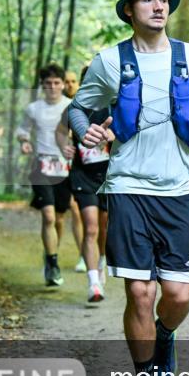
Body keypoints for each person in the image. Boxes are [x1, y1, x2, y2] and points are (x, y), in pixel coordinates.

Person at [68, 0, 189, 376]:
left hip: (179, 188)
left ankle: (164, 334)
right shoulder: (108, 60)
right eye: (147, 1)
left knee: (177, 296)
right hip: (127, 186)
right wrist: (87, 133)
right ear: (128, 11)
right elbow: (79, 108)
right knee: (140, 291)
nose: (158, 7)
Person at [57, 64, 110, 303]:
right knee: (90, 227)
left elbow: (130, 131)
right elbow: (60, 132)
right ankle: (93, 283)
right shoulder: (74, 108)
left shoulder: (113, 105)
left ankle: (102, 261)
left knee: (105, 227)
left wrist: (114, 136)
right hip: (83, 175)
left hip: (110, 176)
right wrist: (64, 146)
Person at [17, 64, 73, 287]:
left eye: (56, 83)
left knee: (59, 218)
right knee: (48, 216)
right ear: (42, 86)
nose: (52, 88)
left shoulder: (71, 106)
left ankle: (52, 254)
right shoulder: (33, 109)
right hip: (41, 165)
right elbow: (22, 131)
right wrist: (24, 142)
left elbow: (81, 133)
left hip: (65, 168)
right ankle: (52, 263)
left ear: (62, 84)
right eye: (47, 84)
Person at [63, 70, 87, 273]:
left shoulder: (91, 101)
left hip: (94, 165)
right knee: (75, 209)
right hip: (68, 166)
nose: (70, 85)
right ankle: (83, 255)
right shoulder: (59, 106)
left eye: (73, 81)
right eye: (66, 82)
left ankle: (99, 254)